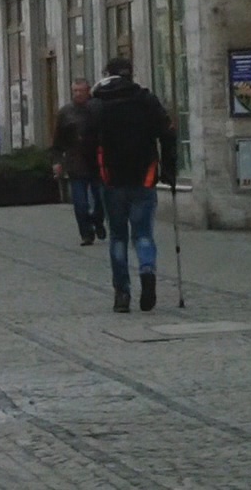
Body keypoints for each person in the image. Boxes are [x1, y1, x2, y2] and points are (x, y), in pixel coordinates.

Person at [83, 56, 177, 313]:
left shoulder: (97, 104)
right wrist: (169, 169)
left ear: (108, 74)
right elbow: (168, 133)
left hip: (111, 179)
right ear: (130, 74)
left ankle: (122, 294)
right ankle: (147, 275)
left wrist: (93, 174)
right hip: (143, 176)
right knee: (143, 234)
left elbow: (88, 143)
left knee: (118, 237)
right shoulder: (145, 100)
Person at [52, 79, 104, 246]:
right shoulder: (66, 112)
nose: (78, 94)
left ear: (88, 91)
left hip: (97, 162)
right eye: (75, 91)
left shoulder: (97, 109)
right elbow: (58, 141)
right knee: (80, 203)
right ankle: (86, 233)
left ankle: (97, 220)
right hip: (76, 164)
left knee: (100, 201)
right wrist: (57, 161)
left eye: (81, 90)